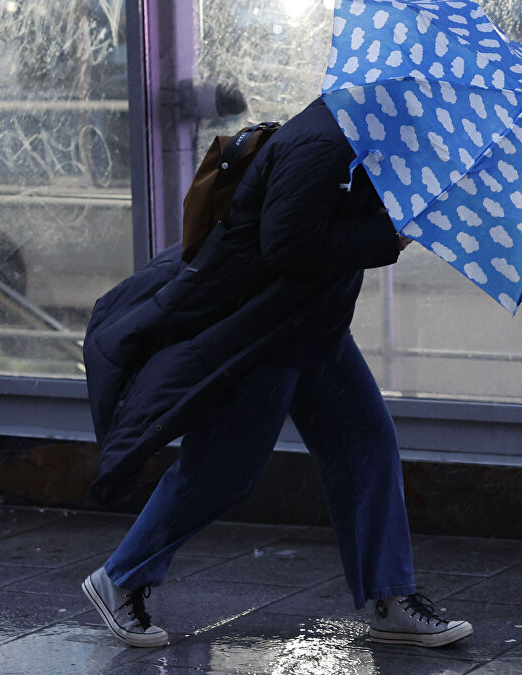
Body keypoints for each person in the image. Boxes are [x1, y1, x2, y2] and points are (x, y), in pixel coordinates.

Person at [81, 96, 473, 649]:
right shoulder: (322, 143)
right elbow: (285, 244)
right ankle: (120, 578)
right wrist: (391, 236)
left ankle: (391, 598)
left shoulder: (365, 141)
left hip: (312, 329)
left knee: (366, 440)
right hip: (263, 334)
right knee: (221, 472)